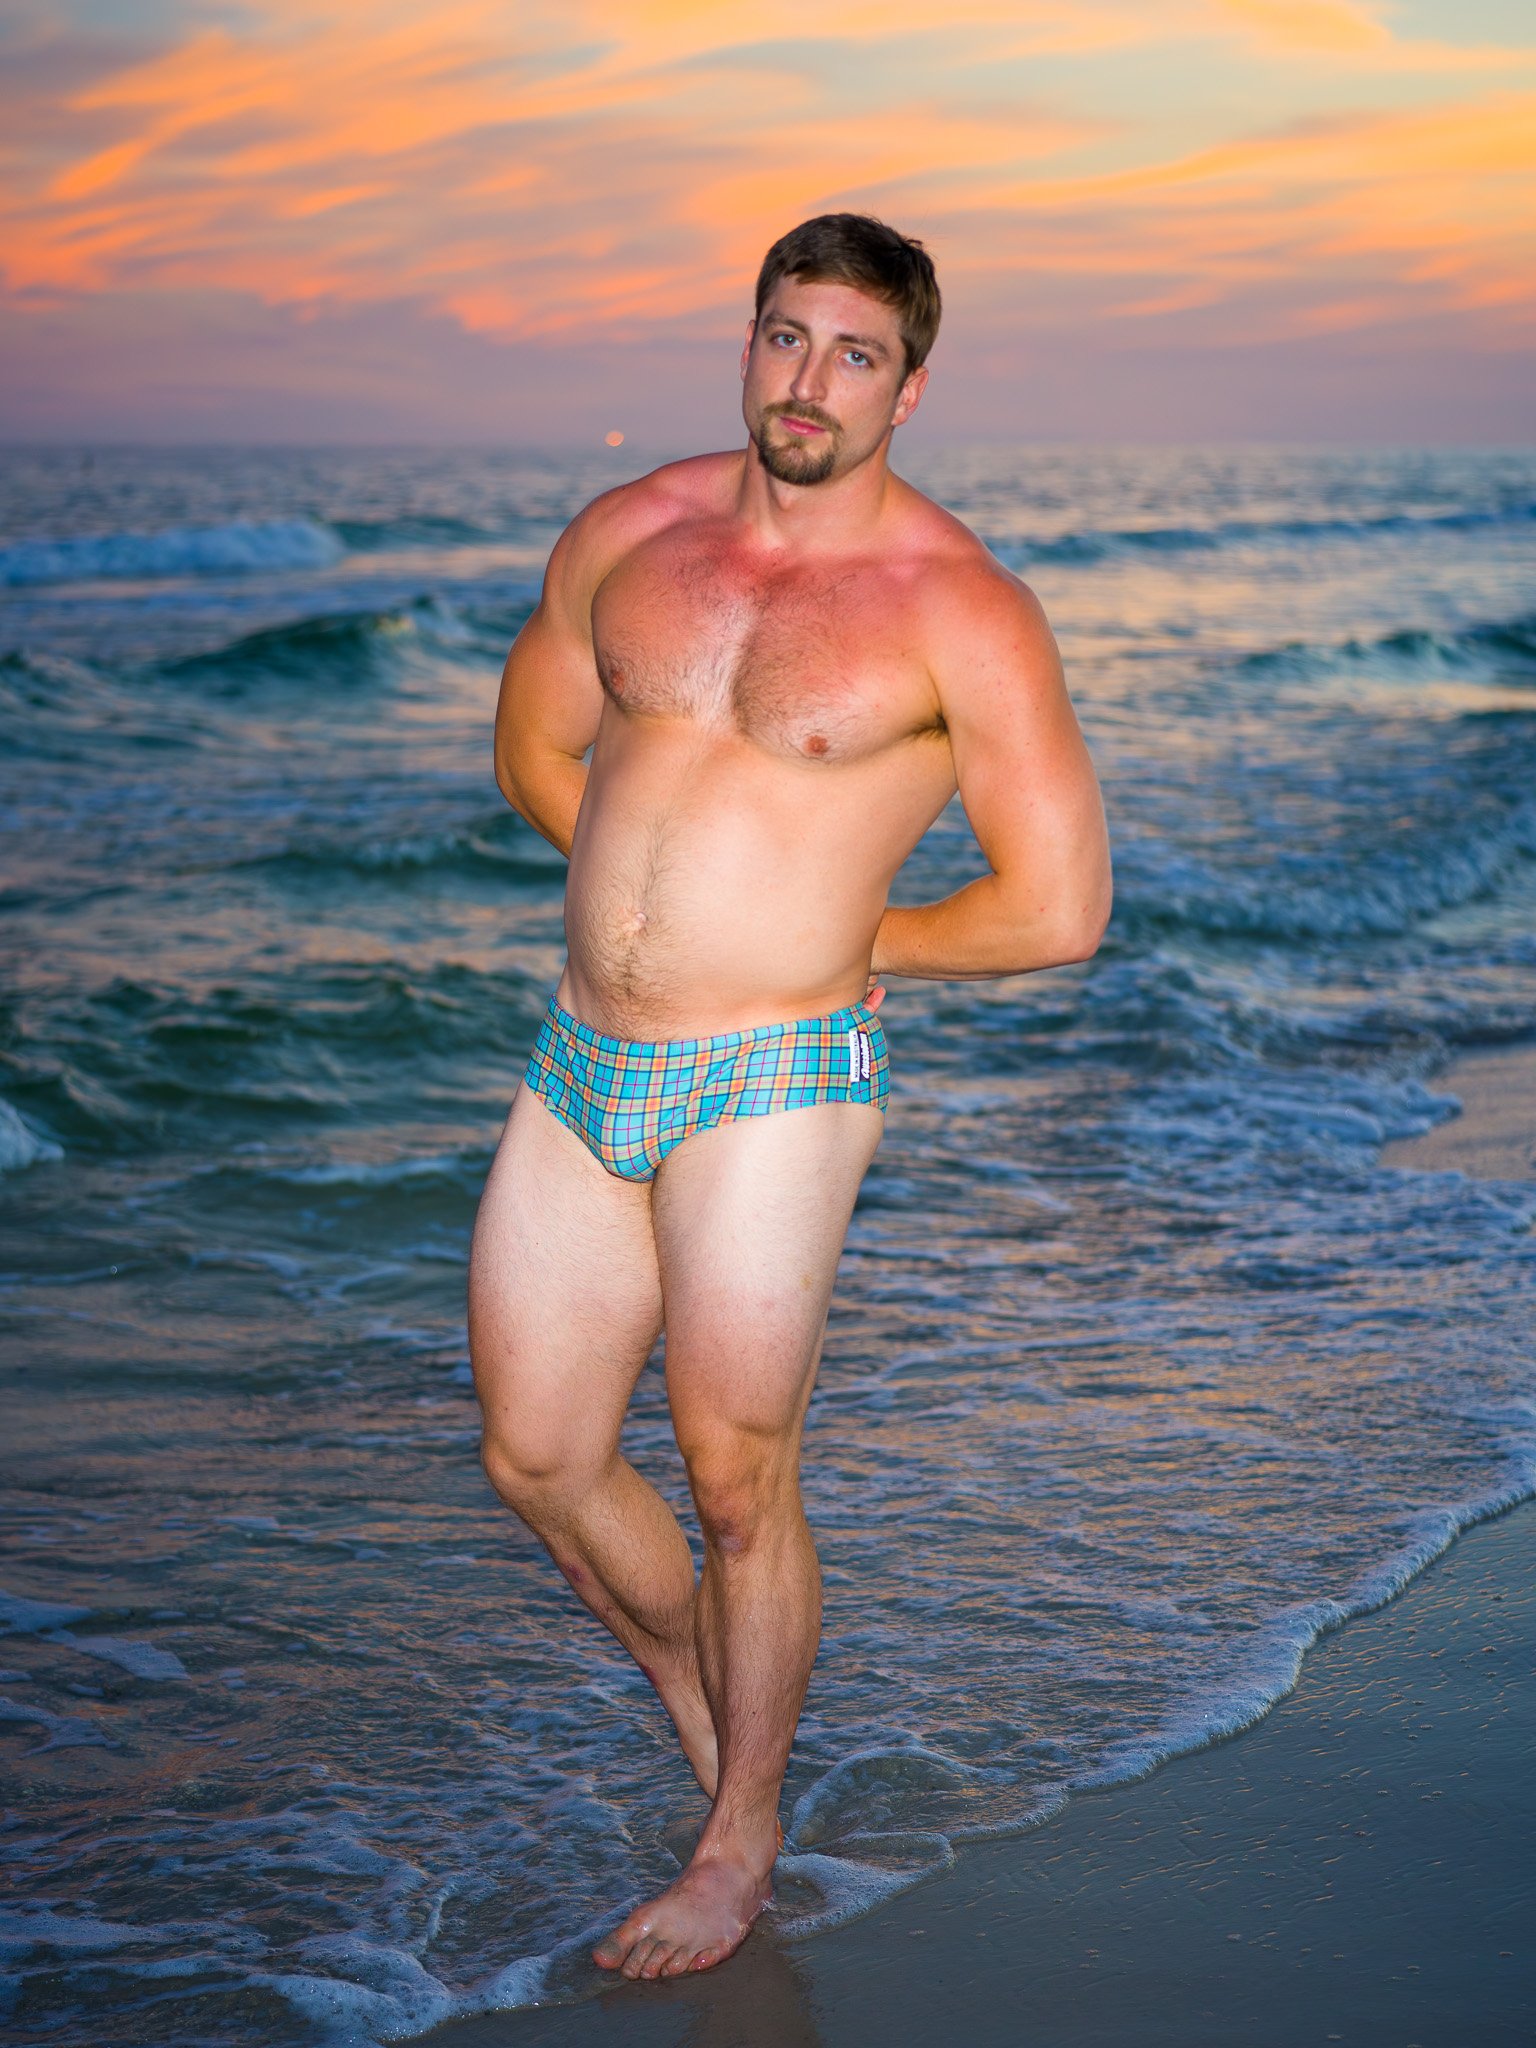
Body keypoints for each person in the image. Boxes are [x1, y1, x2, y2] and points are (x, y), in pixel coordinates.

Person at [468, 212, 1112, 1982]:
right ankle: (711, 1694)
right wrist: (639, 921)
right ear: (747, 341)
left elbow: (1059, 907)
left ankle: (739, 1837)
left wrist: (843, 938)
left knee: (738, 1472)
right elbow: (533, 748)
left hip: (779, 1071)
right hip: (583, 1052)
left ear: (912, 385)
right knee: (537, 1453)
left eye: (854, 353)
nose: (809, 379)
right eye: (784, 336)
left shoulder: (960, 609)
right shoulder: (629, 535)